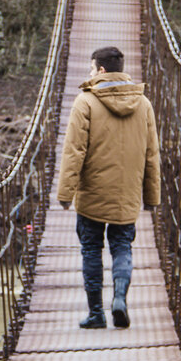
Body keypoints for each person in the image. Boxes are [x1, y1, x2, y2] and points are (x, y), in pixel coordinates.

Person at [57, 45, 160, 329]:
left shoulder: (85, 102)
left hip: (91, 195)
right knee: (122, 247)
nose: (89, 74)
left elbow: (73, 151)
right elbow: (152, 155)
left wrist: (65, 194)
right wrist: (151, 197)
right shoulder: (144, 104)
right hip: (127, 196)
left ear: (101, 70)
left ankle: (96, 314)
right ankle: (119, 299)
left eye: (92, 69)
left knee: (91, 249)